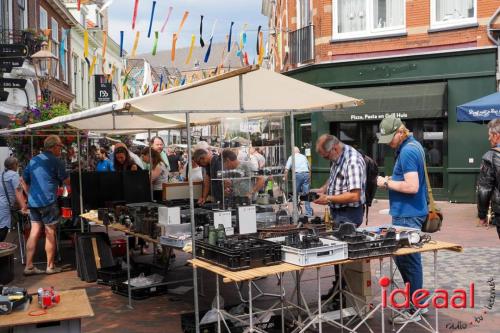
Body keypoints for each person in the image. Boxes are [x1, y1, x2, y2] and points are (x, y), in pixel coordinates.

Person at [376, 114, 428, 324]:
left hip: (408, 214)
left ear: (400, 131)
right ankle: (415, 303)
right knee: (405, 259)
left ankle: (416, 307)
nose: (388, 143)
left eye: (390, 138)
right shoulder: (413, 146)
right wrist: (393, 179)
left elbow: (412, 186)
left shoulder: (407, 151)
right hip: (407, 213)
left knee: (409, 261)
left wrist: (386, 183)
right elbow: (410, 182)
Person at [23, 135, 70, 275]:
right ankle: (50, 267)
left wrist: (30, 194)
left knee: (34, 231)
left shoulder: (33, 160)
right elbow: (67, 181)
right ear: (54, 146)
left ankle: (29, 266)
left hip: (34, 201)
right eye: (59, 147)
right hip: (48, 201)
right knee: (50, 232)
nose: (60, 150)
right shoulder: (56, 161)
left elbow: (23, 180)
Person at [313, 134, 366, 227]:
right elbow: (334, 177)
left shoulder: (352, 161)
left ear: (335, 148)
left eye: (326, 156)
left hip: (349, 215)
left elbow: (355, 195)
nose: (326, 159)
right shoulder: (338, 156)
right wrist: (322, 189)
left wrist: (327, 198)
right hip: (338, 213)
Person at [477, 118, 500, 236]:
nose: (489, 138)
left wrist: (482, 214)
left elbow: (484, 189)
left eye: (490, 135)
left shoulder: (490, 157)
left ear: (496, 136)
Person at [0, 157, 28, 242]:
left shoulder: (1, 174)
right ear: (14, 165)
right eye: (17, 164)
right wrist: (24, 207)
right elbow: (18, 193)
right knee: (3, 229)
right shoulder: (14, 175)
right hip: (4, 206)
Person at [284, 147, 313, 216]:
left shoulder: (291, 157)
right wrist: (309, 178)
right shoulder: (304, 157)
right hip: (306, 174)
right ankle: (309, 212)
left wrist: (285, 178)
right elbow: (309, 168)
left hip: (298, 175)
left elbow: (286, 169)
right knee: (306, 194)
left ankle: (295, 212)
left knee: (295, 193)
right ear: (299, 151)